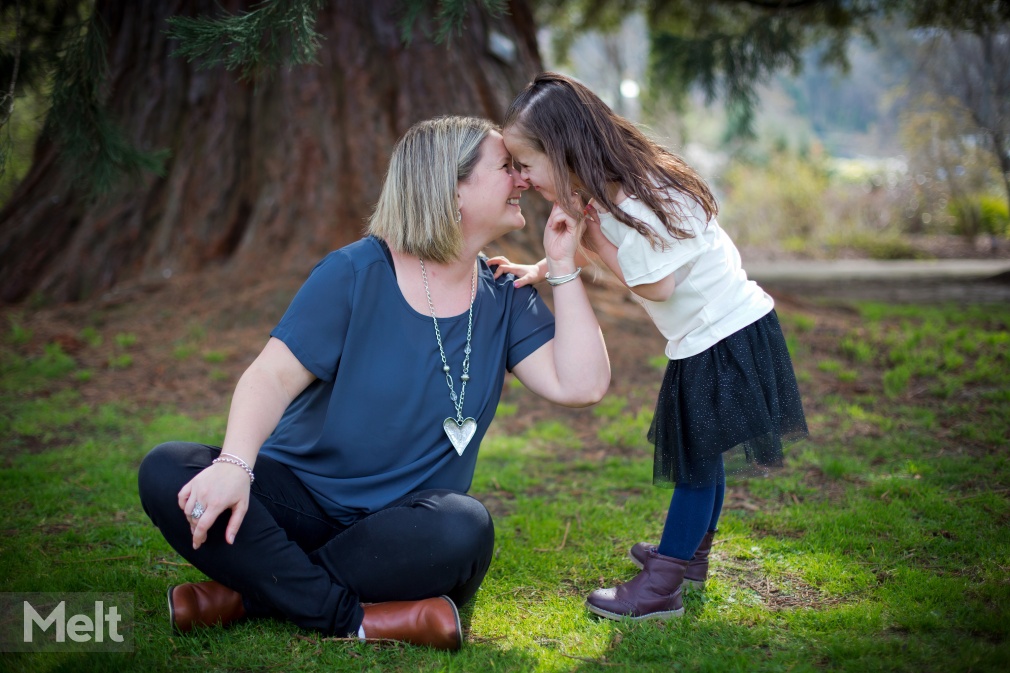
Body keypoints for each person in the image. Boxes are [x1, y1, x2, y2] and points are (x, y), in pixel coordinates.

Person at [137, 115, 610, 650]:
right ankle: (355, 619)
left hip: (402, 533)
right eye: (506, 167)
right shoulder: (356, 272)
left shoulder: (505, 294)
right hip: (300, 505)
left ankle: (250, 596)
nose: (523, 179)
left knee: (465, 528)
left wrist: (565, 266)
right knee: (167, 469)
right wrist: (233, 465)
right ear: (452, 190)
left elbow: (583, 385)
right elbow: (268, 376)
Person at [492, 72, 808, 621]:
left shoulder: (645, 195)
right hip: (709, 337)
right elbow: (625, 258)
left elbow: (654, 283)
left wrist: (585, 243)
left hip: (725, 335)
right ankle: (687, 558)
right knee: (702, 459)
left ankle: (661, 588)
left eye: (524, 163)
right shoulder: (614, 193)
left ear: (563, 150)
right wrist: (545, 268)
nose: (520, 177)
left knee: (694, 467)